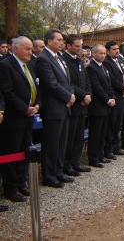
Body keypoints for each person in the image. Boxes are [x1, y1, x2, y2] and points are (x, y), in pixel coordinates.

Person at [0, 36, 40, 202]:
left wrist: (37, 104)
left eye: (31, 49)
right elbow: (7, 93)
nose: (30, 52)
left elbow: (36, 86)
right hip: (13, 118)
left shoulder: (30, 64)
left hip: (28, 117)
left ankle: (22, 182)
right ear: (15, 49)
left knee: (26, 149)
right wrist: (24, 108)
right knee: (11, 153)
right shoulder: (5, 65)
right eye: (27, 49)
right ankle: (10, 188)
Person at [36, 28, 75, 188]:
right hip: (53, 108)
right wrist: (67, 97)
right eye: (58, 40)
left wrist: (70, 95)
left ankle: (58, 172)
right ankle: (49, 175)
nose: (61, 42)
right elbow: (51, 84)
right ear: (49, 41)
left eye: (62, 40)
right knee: (51, 143)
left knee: (61, 142)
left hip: (65, 106)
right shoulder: (43, 59)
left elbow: (68, 80)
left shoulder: (59, 58)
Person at [62, 34, 92, 175]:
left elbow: (86, 78)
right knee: (71, 136)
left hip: (82, 103)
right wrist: (82, 95)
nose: (80, 49)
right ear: (68, 46)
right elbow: (70, 83)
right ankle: (66, 165)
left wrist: (88, 94)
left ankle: (76, 162)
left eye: (81, 46)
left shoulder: (79, 61)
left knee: (79, 135)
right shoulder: (64, 60)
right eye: (77, 46)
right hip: (73, 104)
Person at [86, 44, 115, 168]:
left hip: (106, 105)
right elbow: (97, 87)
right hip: (98, 105)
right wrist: (107, 99)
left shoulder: (103, 67)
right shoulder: (91, 67)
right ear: (93, 54)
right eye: (100, 53)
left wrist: (112, 97)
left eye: (104, 53)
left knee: (103, 132)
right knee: (96, 133)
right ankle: (93, 157)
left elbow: (109, 84)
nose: (103, 55)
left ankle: (100, 154)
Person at [102, 41, 124, 159]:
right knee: (112, 125)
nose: (117, 51)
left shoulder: (120, 61)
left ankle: (116, 147)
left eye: (117, 49)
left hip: (123, 96)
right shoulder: (107, 62)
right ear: (107, 51)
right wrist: (123, 88)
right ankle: (109, 150)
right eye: (114, 49)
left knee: (118, 124)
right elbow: (112, 80)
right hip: (115, 96)